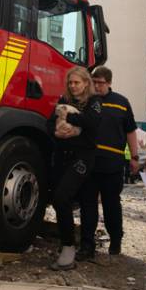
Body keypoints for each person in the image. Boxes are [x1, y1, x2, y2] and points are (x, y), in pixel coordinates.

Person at [78, 66, 140, 261]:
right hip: (89, 163)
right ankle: (87, 245)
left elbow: (130, 131)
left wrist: (135, 158)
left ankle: (115, 240)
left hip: (112, 165)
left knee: (111, 204)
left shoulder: (122, 103)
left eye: (100, 82)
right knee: (87, 205)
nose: (97, 86)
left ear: (109, 83)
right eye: (94, 82)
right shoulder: (85, 102)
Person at [48, 66, 102, 270]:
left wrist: (65, 116)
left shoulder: (95, 102)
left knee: (64, 197)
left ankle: (69, 247)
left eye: (77, 82)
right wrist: (56, 131)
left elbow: (91, 122)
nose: (73, 86)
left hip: (83, 158)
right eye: (70, 83)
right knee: (59, 198)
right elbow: (49, 123)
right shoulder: (64, 100)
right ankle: (70, 244)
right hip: (63, 157)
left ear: (86, 83)